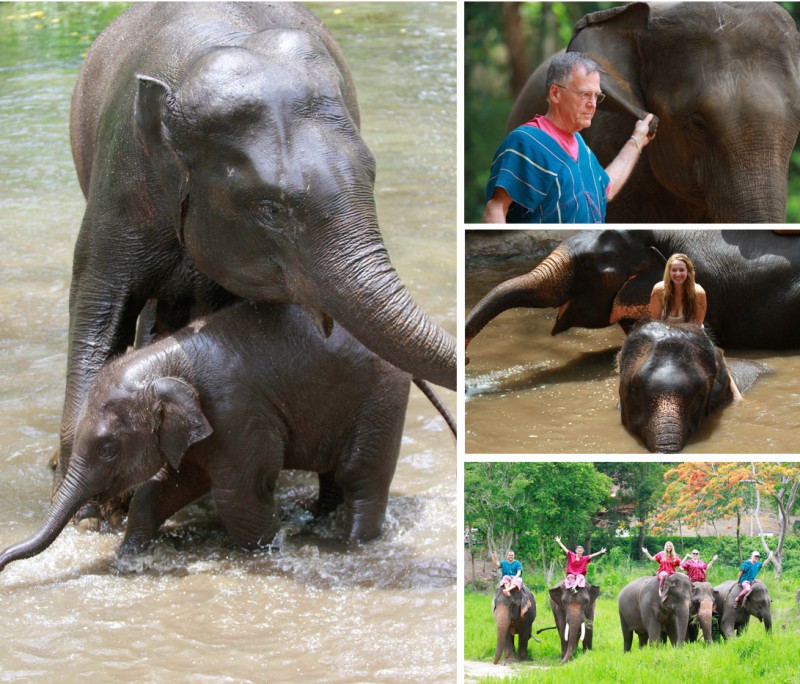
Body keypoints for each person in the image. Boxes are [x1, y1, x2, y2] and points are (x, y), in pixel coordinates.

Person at [483, 51, 655, 224]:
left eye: (596, 96)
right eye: (585, 94)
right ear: (555, 93)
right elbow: (496, 208)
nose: (593, 104)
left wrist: (637, 139)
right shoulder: (526, 142)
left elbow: (606, 190)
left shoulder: (581, 147)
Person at [649, 253, 743, 400]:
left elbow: (697, 326)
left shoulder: (698, 292)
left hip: (692, 335)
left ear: (688, 272)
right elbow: (654, 324)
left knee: (717, 360)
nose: (678, 274)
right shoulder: (659, 291)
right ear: (669, 272)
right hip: (664, 335)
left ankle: (737, 397)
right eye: (674, 270)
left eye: (681, 270)